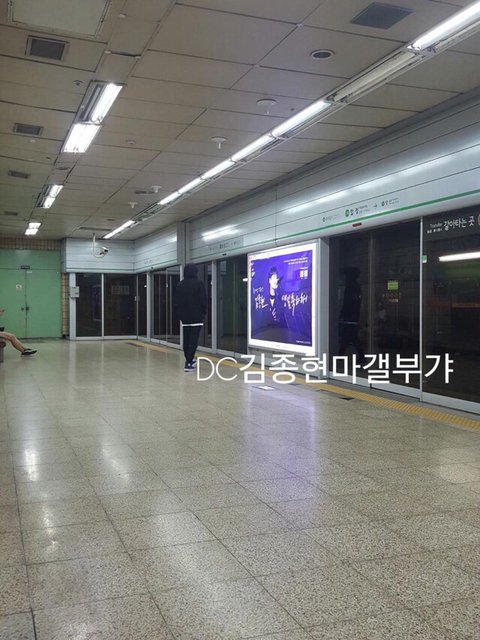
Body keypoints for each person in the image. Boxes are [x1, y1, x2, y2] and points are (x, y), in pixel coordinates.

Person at [174, 264, 207, 372]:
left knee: (186, 339)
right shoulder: (199, 284)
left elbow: (176, 302)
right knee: (193, 340)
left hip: (185, 317)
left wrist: (180, 315)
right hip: (197, 317)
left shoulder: (180, 284)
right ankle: (188, 362)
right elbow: (203, 300)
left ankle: (189, 359)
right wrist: (203, 313)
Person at [338, 267, 365, 362]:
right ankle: (340, 355)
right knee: (350, 337)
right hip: (352, 317)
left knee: (349, 337)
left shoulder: (351, 287)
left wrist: (342, 314)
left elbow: (347, 303)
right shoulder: (355, 287)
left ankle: (340, 356)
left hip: (350, 318)